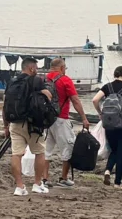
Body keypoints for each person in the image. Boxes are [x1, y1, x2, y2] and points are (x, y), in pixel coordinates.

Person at [5, 58, 52, 196]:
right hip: (32, 125)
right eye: (36, 67)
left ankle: (19, 187)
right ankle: (37, 184)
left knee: (16, 154)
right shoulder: (36, 80)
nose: (36, 70)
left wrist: (5, 125)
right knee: (39, 152)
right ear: (31, 68)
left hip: (14, 122)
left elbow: (5, 103)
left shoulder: (12, 82)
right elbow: (48, 96)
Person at [44, 58, 89, 188]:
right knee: (68, 148)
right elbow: (75, 100)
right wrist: (84, 118)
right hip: (61, 119)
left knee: (46, 151)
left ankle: (44, 179)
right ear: (62, 68)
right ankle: (63, 178)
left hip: (46, 120)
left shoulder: (44, 79)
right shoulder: (65, 80)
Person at [92, 66, 122, 186]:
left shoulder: (107, 87)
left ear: (114, 74)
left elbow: (95, 100)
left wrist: (100, 113)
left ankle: (108, 170)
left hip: (109, 124)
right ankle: (117, 182)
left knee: (114, 150)